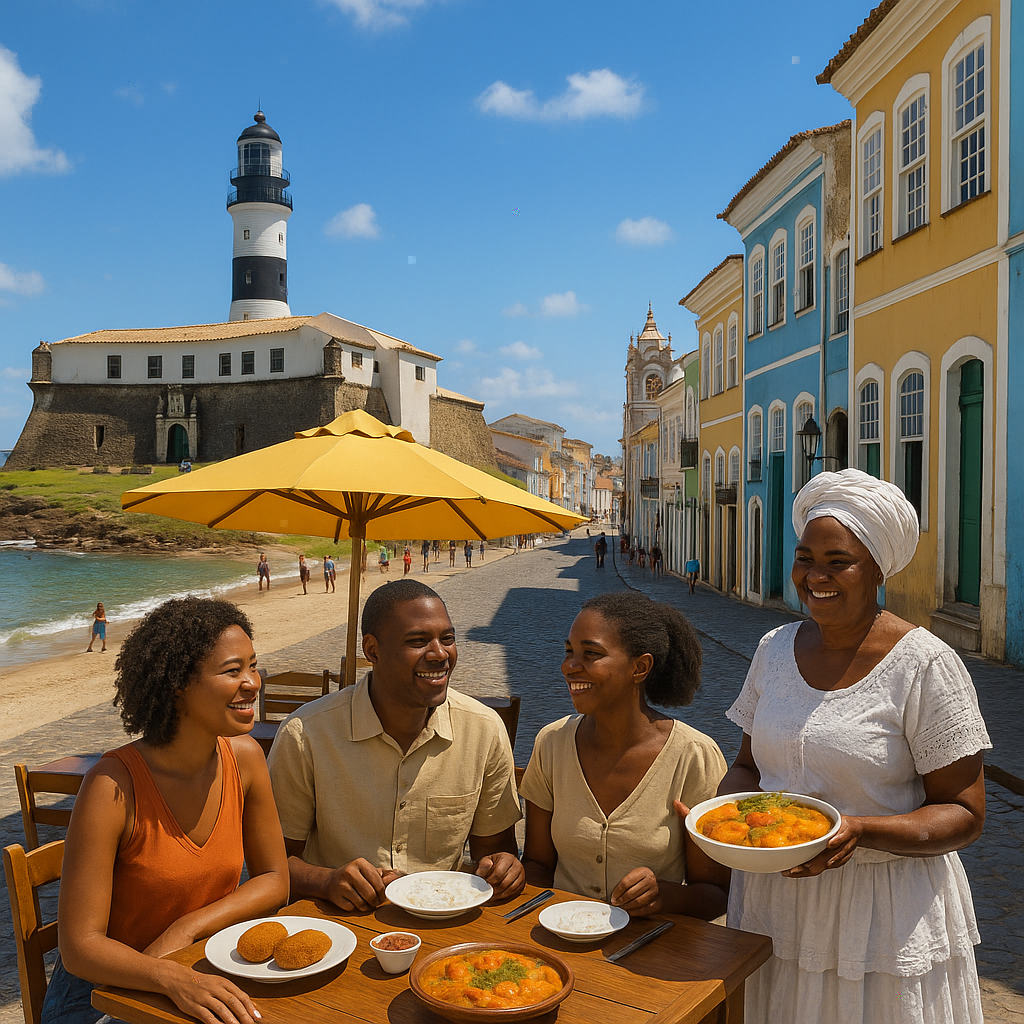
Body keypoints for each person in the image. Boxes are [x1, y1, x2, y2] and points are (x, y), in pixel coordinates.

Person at [721, 469, 991, 1024]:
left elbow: (964, 813)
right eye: (804, 558)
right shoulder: (773, 650)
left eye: (837, 561)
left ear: (877, 570)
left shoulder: (924, 665)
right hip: (775, 904)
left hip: (881, 917)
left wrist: (861, 830)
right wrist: (726, 818)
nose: (815, 575)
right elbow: (748, 766)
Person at [44, 598, 288, 1024]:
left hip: (196, 967)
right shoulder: (112, 785)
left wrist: (186, 929)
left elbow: (274, 880)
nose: (253, 682)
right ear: (178, 685)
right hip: (101, 991)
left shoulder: (246, 759)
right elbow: (80, 947)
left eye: (253, 666)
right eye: (233, 671)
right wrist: (168, 976)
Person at [267, 579, 525, 912]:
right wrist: (327, 881)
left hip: (442, 919)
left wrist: (504, 869)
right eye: (418, 641)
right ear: (372, 650)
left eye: (447, 639)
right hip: (339, 921)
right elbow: (271, 864)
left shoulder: (484, 730)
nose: (440, 654)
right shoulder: (306, 734)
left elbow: (494, 853)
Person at [521, 592, 728, 919]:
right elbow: (537, 865)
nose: (569, 666)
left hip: (650, 941)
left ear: (640, 667)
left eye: (591, 653)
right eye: (569, 651)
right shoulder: (552, 743)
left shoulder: (694, 756)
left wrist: (664, 895)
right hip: (559, 933)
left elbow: (716, 894)